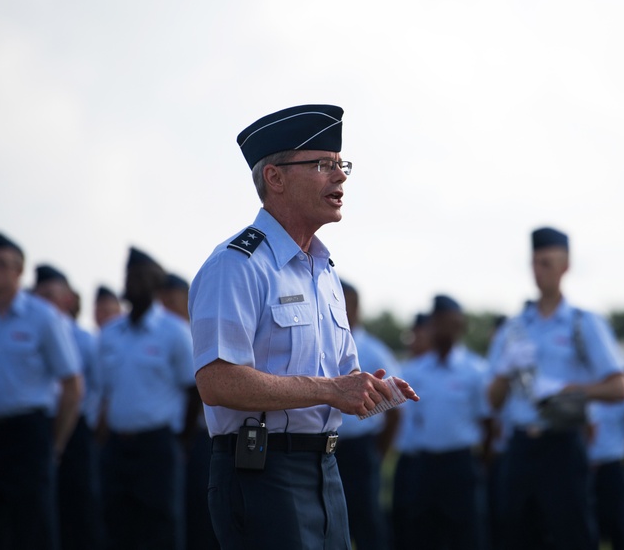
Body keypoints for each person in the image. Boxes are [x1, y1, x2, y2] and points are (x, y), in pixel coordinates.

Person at [189, 104, 419, 550]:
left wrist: (368, 392)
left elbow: (340, 380)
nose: (340, 177)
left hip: (326, 469)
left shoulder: (324, 269)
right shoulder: (236, 265)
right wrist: (330, 390)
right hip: (261, 474)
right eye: (322, 165)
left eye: (341, 165)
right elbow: (217, 381)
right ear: (274, 178)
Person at [487, 226, 624, 550]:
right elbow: (492, 401)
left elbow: (619, 388)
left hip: (563, 444)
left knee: (572, 536)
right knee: (516, 537)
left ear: (566, 266)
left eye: (547, 263)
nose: (539, 271)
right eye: (535, 263)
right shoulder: (514, 328)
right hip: (521, 447)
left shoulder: (583, 323)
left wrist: (567, 389)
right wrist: (505, 370)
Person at [0, 231, 83, 550]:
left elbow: (72, 386)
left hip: (27, 434)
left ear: (18, 270)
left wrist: (53, 443)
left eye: (0, 264)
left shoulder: (43, 318)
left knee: (33, 528)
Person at [98, 247, 197, 549]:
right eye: (130, 276)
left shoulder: (175, 332)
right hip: (118, 445)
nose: (134, 283)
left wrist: (181, 441)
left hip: (157, 446)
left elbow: (194, 391)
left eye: (141, 276)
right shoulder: (110, 333)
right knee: (117, 526)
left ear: (156, 284)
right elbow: (105, 393)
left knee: (160, 528)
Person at [399, 294, 492, 550]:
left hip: (460, 465)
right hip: (424, 466)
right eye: (438, 323)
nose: (443, 330)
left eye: (450, 323)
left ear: (460, 326)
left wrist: (481, 463)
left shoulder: (475, 371)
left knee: (466, 536)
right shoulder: (414, 371)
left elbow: (488, 424)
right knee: (423, 536)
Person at [32, 264, 105, 550]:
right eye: (41, 296)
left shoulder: (85, 340)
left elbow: (98, 389)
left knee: (79, 508)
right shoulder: (34, 333)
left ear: (68, 299)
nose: (47, 302)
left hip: (77, 432)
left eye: (52, 295)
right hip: (40, 428)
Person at [334, 281, 400, 550]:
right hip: (323, 447)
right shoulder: (322, 342)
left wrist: (378, 453)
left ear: (356, 306)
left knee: (367, 523)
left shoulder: (374, 350)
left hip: (359, 450)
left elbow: (394, 408)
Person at [159, 271, 220, 550]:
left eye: (171, 300)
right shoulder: (164, 337)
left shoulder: (202, 332)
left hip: (204, 435)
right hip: (177, 435)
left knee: (203, 511)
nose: (166, 308)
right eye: (162, 301)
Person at [391, 312, 432, 550]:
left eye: (419, 334)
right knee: (405, 529)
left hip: (437, 461)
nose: (413, 340)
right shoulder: (404, 369)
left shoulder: (465, 368)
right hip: (409, 461)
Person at [586, 355, 624, 550]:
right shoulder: (584, 383)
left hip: (613, 465)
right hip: (583, 468)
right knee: (585, 530)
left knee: (619, 530)